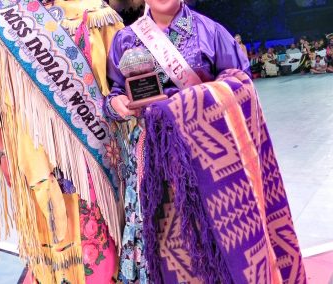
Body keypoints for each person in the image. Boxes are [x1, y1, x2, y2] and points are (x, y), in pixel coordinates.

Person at [105, 0, 305, 283]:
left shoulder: (210, 32)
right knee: (163, 241)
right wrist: (119, 104)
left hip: (206, 160)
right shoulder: (125, 39)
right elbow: (112, 94)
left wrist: (187, 105)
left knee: (210, 238)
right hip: (150, 160)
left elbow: (242, 85)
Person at [0, 0, 125, 283]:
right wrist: (3, 152)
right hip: (36, 157)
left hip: (93, 156)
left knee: (100, 239)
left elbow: (124, 77)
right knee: (51, 236)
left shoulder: (96, 12)